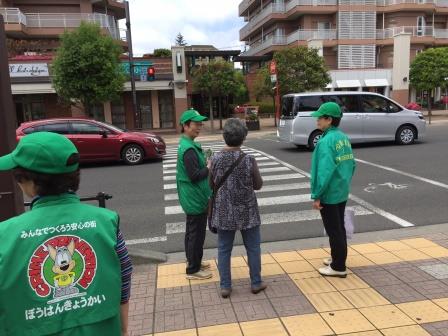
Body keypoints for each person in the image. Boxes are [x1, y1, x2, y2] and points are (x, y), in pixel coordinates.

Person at [0, 132, 132, 336]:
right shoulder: (107, 222)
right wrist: (123, 328)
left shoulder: (4, 235)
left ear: (27, 181)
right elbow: (124, 274)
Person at [209, 118, 266, 298]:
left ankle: (225, 286)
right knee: (253, 247)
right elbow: (258, 185)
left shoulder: (215, 159)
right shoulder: (249, 160)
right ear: (243, 138)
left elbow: (211, 185)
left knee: (224, 249)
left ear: (225, 137)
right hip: (247, 210)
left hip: (224, 211)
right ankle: (256, 282)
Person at [310, 102, 356, 278]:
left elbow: (323, 171)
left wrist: (317, 195)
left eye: (320, 118)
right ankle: (337, 258)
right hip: (341, 190)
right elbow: (352, 164)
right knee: (339, 228)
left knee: (333, 229)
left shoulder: (326, 141)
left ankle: (338, 266)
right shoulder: (343, 137)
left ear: (329, 120)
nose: (317, 120)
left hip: (329, 193)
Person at [176, 108, 212, 280]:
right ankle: (193, 269)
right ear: (185, 125)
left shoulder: (188, 145)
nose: (199, 126)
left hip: (192, 195)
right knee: (196, 233)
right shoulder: (188, 149)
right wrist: (209, 168)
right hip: (194, 197)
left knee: (192, 232)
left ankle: (193, 260)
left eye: (200, 123)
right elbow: (195, 175)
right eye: (196, 124)